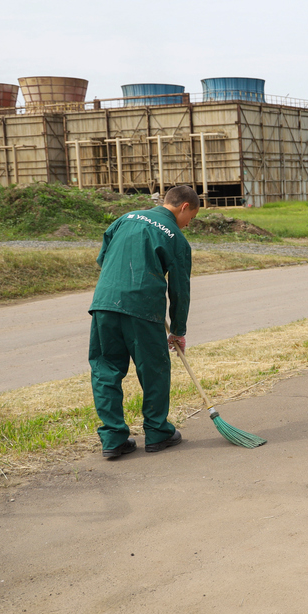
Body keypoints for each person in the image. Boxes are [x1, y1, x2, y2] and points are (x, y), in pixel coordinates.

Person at [89, 184, 200, 459]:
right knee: (154, 370)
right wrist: (177, 331)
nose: (189, 224)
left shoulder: (124, 219)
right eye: (192, 218)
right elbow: (180, 289)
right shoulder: (175, 237)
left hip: (104, 303)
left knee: (106, 369)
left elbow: (104, 259)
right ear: (184, 207)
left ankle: (113, 439)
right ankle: (157, 432)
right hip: (142, 308)